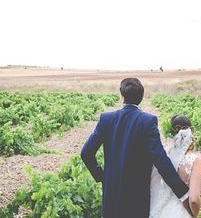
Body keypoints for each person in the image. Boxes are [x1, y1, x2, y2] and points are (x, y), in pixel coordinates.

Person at [81, 78, 190, 218]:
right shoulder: (148, 121)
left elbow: (86, 153)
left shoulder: (106, 119)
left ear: (122, 97)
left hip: (111, 193)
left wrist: (102, 177)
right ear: (141, 98)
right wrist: (182, 192)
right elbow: (160, 159)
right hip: (137, 195)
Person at [149, 115, 201, 217]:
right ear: (191, 131)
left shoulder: (164, 156)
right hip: (180, 212)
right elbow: (194, 200)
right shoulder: (196, 161)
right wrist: (194, 215)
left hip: (159, 208)